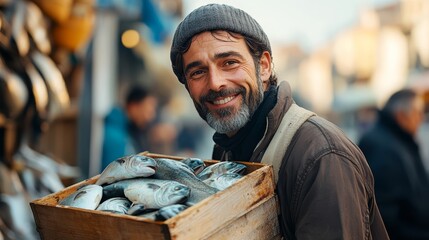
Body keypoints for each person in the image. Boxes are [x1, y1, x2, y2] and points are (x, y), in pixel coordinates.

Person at [169, 3, 389, 239]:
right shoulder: (225, 150)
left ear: (263, 67)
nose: (215, 82)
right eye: (198, 72)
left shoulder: (322, 155)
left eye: (229, 63)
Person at [358, 89, 429, 240]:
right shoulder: (385, 150)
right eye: (417, 113)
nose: (421, 118)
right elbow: (387, 219)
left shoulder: (396, 139)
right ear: (401, 116)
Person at [101, 85, 158, 170]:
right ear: (134, 107)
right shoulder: (116, 138)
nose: (151, 116)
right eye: (148, 110)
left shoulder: (128, 133)